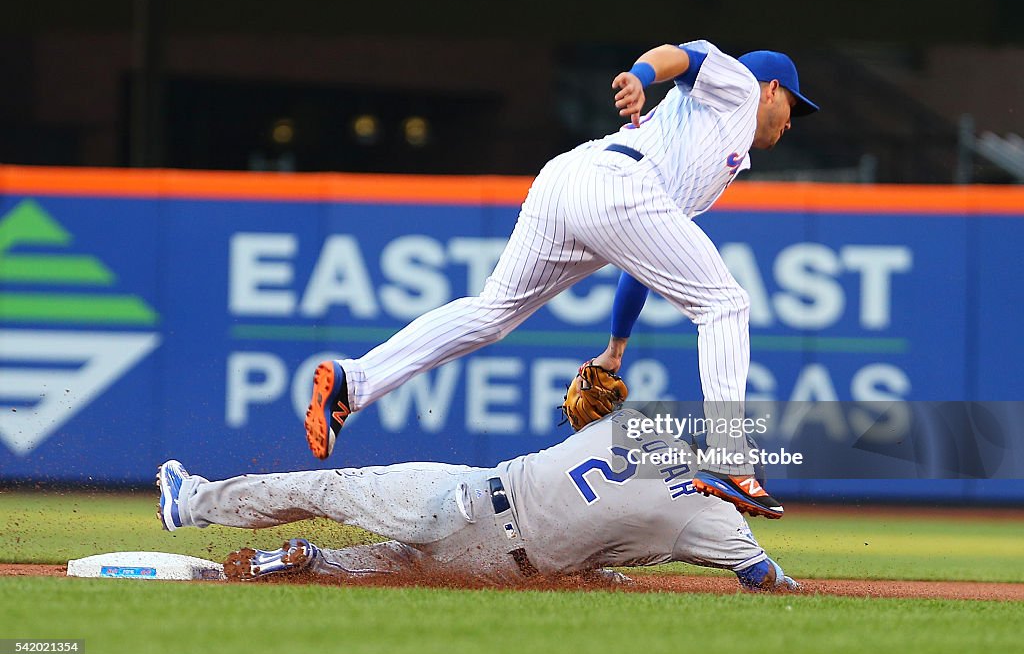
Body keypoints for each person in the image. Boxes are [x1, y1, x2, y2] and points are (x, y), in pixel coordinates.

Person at [304, 40, 819, 519]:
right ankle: (730, 457)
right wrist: (641, 76)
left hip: (570, 181)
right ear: (772, 88)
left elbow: (643, 264)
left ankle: (355, 380)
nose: (791, 122)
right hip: (616, 183)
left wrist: (615, 350)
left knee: (491, 313)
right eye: (793, 106)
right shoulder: (740, 86)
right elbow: (682, 56)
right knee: (726, 304)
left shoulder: (711, 153)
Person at [158, 408, 798, 591]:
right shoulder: (710, 520)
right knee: (400, 570)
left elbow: (590, 431)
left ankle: (192, 503)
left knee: (326, 489)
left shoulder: (643, 427)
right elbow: (764, 578)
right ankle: (312, 564)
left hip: (468, 498)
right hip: (501, 566)